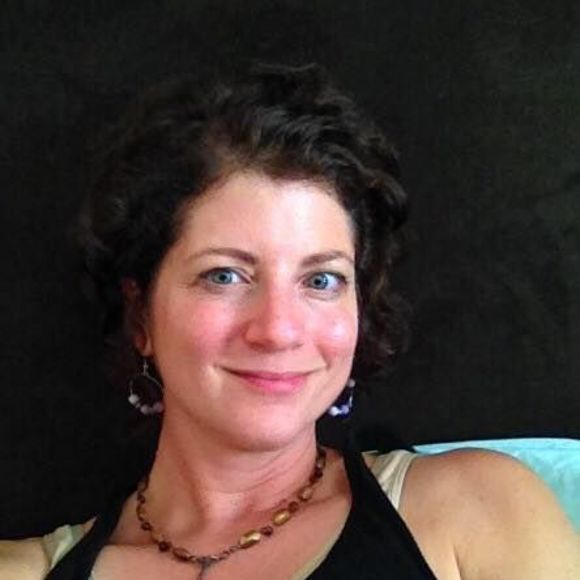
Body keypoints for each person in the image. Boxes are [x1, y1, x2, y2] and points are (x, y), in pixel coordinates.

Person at [1, 63, 578, 580]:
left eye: (321, 280)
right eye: (225, 275)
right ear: (140, 316)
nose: (278, 329)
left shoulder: (475, 512)